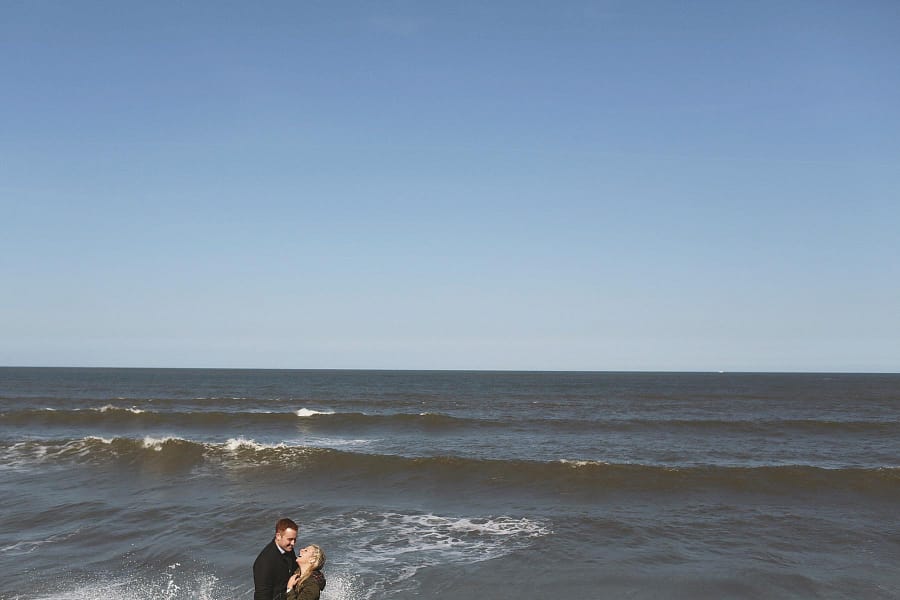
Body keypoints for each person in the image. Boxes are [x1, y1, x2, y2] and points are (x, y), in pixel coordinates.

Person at [253, 518, 299, 600]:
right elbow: (262, 595)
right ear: (278, 536)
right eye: (290, 539)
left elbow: (295, 568)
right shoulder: (264, 562)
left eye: (295, 539)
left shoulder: (287, 548)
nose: (293, 543)